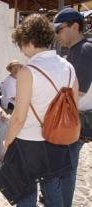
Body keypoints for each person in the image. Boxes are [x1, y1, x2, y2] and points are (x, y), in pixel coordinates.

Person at [1, 14, 79, 206]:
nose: (21, 50)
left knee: (25, 194)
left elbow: (19, 117)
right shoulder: (68, 67)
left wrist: (7, 142)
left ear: (28, 41)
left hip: (28, 143)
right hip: (57, 139)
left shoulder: (28, 71)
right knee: (53, 191)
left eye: (20, 44)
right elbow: (73, 107)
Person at [54, 7, 92, 207]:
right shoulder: (76, 51)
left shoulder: (85, 50)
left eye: (59, 28)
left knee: (66, 170)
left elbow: (79, 92)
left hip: (76, 121)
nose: (56, 34)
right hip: (74, 119)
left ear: (75, 27)